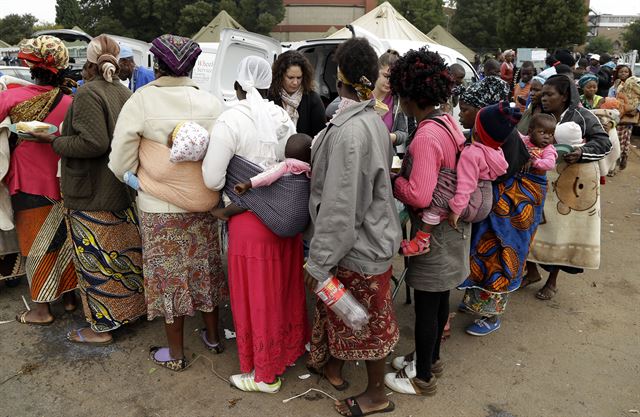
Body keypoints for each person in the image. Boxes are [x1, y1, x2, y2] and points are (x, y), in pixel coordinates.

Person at [110, 34, 225, 370]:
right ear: (192, 65)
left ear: (157, 64)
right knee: (205, 269)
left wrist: (139, 181)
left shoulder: (141, 101)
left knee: (168, 277)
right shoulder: (212, 103)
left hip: (159, 209)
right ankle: (214, 338)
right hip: (204, 204)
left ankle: (175, 355)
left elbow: (119, 162)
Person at [303, 38, 401, 415]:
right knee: (350, 312)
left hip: (359, 245)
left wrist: (320, 261)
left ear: (338, 77)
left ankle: (376, 394)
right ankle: (332, 363)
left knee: (368, 319)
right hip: (366, 239)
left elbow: (342, 208)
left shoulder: (352, 131)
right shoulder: (367, 120)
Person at [202, 55, 306, 392]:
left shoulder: (230, 120)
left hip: (249, 221)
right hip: (285, 219)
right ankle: (288, 351)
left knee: (257, 296)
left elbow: (213, 178)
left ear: (236, 86)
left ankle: (264, 374)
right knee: (282, 290)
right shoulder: (281, 117)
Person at [47, 35, 145, 344]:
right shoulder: (122, 92)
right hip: (119, 188)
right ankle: (130, 312)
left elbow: (93, 142)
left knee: (97, 260)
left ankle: (101, 328)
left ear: (87, 63)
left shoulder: (89, 93)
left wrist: (56, 141)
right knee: (123, 256)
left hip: (92, 191)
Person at [387, 48, 470, 397]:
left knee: (425, 306)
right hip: (452, 227)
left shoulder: (424, 136)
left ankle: (421, 379)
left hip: (431, 234)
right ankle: (430, 357)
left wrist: (394, 180)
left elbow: (419, 195)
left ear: (409, 95)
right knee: (438, 301)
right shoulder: (447, 121)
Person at [0, 35, 78, 325]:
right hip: (65, 181)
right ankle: (70, 299)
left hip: (30, 182)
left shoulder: (13, 97)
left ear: (31, 68)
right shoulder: (71, 101)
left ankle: (41, 310)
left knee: (36, 245)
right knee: (66, 241)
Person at [524, 74, 611, 300]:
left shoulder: (583, 116)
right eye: (543, 94)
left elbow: (604, 142)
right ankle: (531, 271)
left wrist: (581, 152)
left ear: (564, 96)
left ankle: (552, 281)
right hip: (539, 181)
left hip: (568, 185)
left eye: (549, 94)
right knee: (531, 226)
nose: (544, 98)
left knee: (560, 234)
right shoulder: (537, 115)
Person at [398, 105, 508, 256]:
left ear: (476, 130)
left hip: (474, 201)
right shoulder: (496, 151)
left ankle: (421, 241)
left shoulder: (472, 153)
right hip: (485, 198)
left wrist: (456, 209)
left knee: (438, 201)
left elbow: (465, 185)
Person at [326, 50, 410, 149]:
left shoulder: (397, 100)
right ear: (375, 71)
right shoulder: (362, 92)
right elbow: (330, 110)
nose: (389, 82)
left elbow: (403, 133)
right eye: (386, 76)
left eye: (393, 78)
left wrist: (389, 137)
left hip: (384, 154)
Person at [268, 50, 325, 137]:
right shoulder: (270, 97)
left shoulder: (313, 99)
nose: (295, 82)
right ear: (280, 76)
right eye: (290, 77)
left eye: (299, 77)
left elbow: (320, 136)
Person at [609, 64, 639, 170]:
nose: (624, 74)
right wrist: (616, 88)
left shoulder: (635, 85)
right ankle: (616, 164)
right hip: (618, 119)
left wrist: (636, 109)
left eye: (626, 72)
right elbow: (610, 100)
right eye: (621, 72)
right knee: (617, 142)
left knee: (625, 141)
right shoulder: (614, 87)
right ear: (617, 73)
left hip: (629, 118)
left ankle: (620, 162)